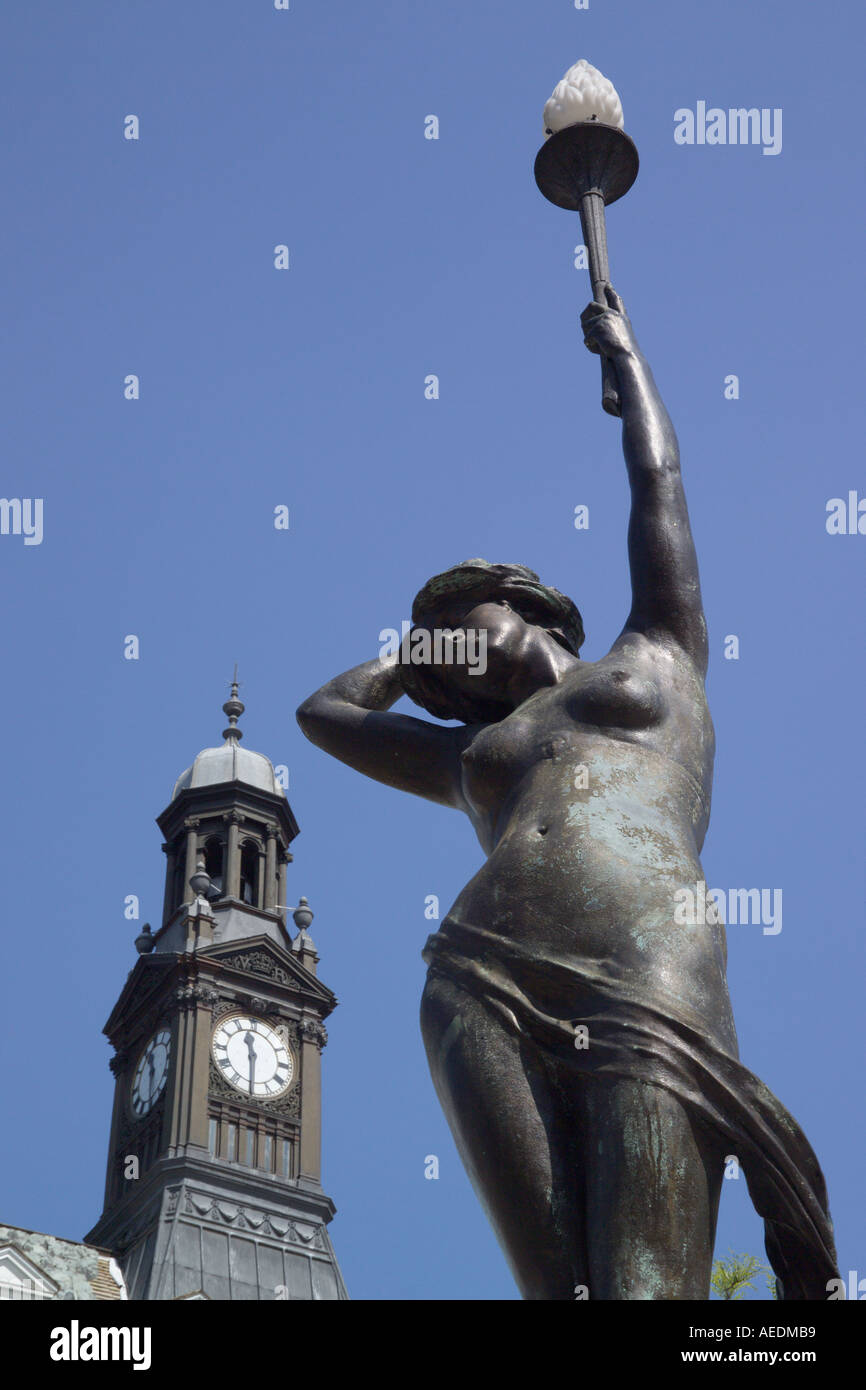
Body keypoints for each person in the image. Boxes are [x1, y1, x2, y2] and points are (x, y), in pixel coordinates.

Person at [297, 289, 838, 1300]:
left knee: (644, 1291)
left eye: (460, 625)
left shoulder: (656, 650)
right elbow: (321, 716)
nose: (450, 664)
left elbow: (656, 479)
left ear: (520, 601)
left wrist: (625, 363)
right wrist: (409, 657)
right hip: (479, 974)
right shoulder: (473, 756)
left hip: (643, 961)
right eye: (436, 659)